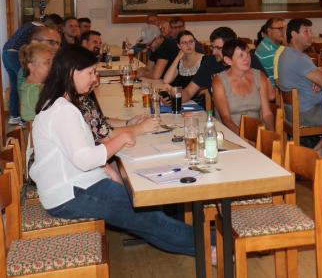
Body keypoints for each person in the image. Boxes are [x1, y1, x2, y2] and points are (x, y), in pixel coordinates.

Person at [30, 45, 195, 256]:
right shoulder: (63, 111)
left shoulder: (58, 103)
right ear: (71, 72)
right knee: (150, 216)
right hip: (71, 195)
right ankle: (214, 246)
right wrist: (122, 139)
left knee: (148, 214)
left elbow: (78, 152)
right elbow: (84, 159)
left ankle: (205, 250)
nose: (94, 78)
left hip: (71, 187)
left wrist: (107, 168)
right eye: (90, 72)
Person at [277, 18, 322, 149]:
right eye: (306, 31)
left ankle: (319, 147)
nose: (311, 34)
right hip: (308, 113)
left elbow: (319, 79)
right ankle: (319, 151)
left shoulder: (285, 54)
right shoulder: (299, 58)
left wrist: (318, 80)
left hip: (293, 111)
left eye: (311, 31)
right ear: (293, 35)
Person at [2, 14, 62, 124]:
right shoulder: (40, 28)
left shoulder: (32, 25)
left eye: (57, 43)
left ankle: (15, 115)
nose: (56, 47)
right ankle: (25, 117)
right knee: (27, 80)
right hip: (14, 53)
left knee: (16, 86)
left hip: (6, 52)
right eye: (51, 42)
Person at [182, 27, 264, 101]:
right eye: (212, 47)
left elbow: (269, 94)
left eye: (218, 48)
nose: (213, 52)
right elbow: (189, 91)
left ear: (231, 47)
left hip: (249, 113)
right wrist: (176, 96)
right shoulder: (210, 62)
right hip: (220, 116)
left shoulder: (248, 60)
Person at [212, 40, 275, 133]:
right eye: (241, 55)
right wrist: (244, 139)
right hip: (230, 134)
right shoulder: (219, 81)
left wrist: (270, 132)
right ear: (228, 60)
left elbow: (266, 113)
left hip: (256, 133)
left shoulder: (259, 76)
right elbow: (226, 119)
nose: (247, 59)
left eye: (248, 54)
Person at [18, 43, 54, 123]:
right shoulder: (33, 91)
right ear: (31, 66)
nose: (51, 66)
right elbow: (50, 115)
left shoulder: (35, 87)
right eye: (47, 62)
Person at [255, 18, 285, 85]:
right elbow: (286, 77)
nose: (284, 32)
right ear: (269, 31)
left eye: (285, 29)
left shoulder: (271, 45)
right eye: (280, 29)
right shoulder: (268, 51)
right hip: (275, 92)